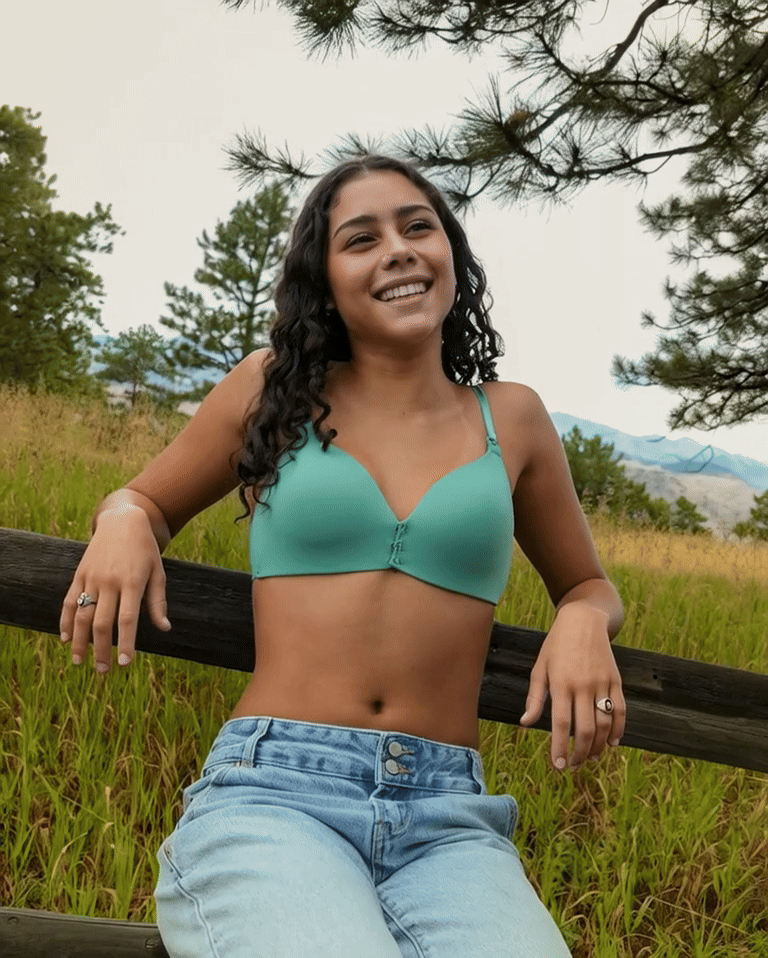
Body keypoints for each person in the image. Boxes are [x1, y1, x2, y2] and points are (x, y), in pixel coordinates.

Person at [59, 153, 626, 957]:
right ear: (324, 282)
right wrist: (122, 520)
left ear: (450, 257)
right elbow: (145, 500)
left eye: (417, 226)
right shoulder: (276, 390)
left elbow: (589, 582)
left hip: (449, 821)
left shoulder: (515, 419)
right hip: (276, 793)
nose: (397, 248)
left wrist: (581, 618)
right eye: (361, 239)